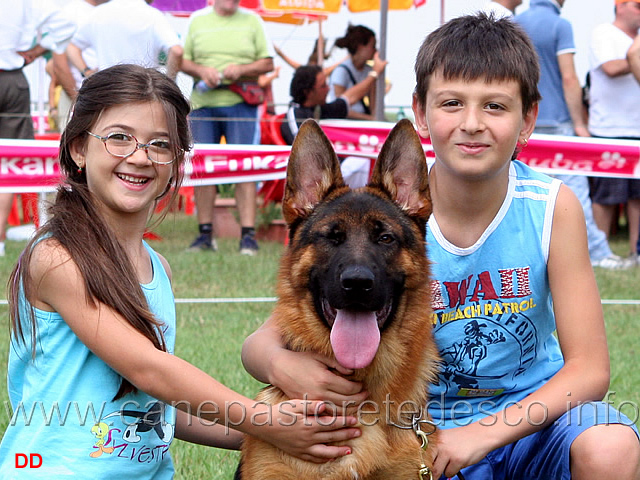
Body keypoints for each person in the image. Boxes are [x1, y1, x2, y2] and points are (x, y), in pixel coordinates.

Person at [241, 14, 640, 480]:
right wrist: (281, 366)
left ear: (528, 118)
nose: (472, 124)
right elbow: (260, 344)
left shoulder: (553, 206)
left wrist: (483, 435)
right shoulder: (389, 214)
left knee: (610, 446)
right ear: (420, 111)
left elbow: (590, 371)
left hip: (535, 423)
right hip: (425, 434)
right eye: (452, 103)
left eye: (495, 106)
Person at [0, 64, 360, 478]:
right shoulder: (55, 258)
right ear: (79, 148)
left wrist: (281, 431)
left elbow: (159, 404)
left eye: (159, 144)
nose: (139, 156)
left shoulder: (158, 269)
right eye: (119, 138)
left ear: (177, 161)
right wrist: (268, 421)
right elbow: (149, 369)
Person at [516, 0, 633, 269]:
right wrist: (580, 122)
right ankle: (599, 253)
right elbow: (569, 77)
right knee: (575, 191)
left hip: (523, 121)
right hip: (558, 121)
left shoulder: (516, 22)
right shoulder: (560, 24)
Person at [181, 0, 274, 255]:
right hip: (202, 105)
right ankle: (205, 235)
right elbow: (182, 60)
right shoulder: (196, 20)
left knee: (245, 167)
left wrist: (241, 70)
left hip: (241, 104)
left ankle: (248, 236)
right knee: (202, 169)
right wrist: (201, 70)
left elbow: (268, 63)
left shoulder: (253, 20)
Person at [0, 0, 76, 257]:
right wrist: (36, 50)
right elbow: (65, 24)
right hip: (11, 79)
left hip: (13, 75)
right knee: (8, 159)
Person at [280, 56, 387, 188]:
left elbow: (349, 97)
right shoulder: (294, 116)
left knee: (374, 158)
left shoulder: (319, 108)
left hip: (338, 170)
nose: (328, 89)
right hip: (321, 180)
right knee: (368, 162)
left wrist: (374, 73)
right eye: (323, 86)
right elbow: (304, 150)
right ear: (308, 92)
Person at [587, 0, 640, 262]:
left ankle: (635, 252)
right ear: (620, 6)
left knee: (637, 197)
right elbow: (611, 67)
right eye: (638, 6)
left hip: (636, 127)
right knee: (607, 195)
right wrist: (636, 55)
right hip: (609, 128)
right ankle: (599, 253)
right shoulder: (603, 33)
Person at [67, 0, 183, 81]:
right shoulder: (152, 15)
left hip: (106, 88)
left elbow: (71, 47)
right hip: (142, 89)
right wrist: (169, 81)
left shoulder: (98, 14)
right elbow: (177, 51)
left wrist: (87, 72)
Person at [327, 24, 378, 121]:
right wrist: (369, 118)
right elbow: (338, 107)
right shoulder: (341, 72)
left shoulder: (368, 71)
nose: (375, 50)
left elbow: (373, 105)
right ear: (360, 47)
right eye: (373, 46)